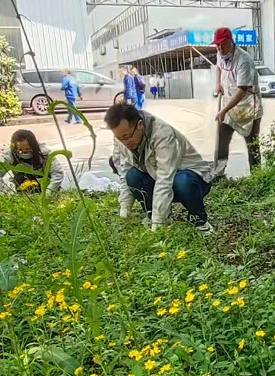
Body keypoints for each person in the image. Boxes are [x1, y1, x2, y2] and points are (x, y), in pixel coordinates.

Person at [106, 103, 215, 233]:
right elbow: (123, 172)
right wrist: (124, 209)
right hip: (156, 176)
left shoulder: (163, 134)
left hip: (191, 181)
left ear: (140, 125)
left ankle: (199, 220)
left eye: (127, 136)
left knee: (182, 181)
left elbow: (165, 179)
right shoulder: (121, 138)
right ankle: (151, 213)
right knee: (132, 175)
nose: (125, 142)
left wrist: (158, 224)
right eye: (120, 138)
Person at [212, 27, 262, 179]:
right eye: (217, 45)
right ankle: (219, 174)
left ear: (231, 41)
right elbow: (219, 67)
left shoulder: (243, 60)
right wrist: (218, 84)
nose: (220, 48)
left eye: (223, 44)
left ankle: (258, 176)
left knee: (252, 143)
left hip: (247, 105)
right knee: (222, 139)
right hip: (229, 103)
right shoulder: (220, 53)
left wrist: (223, 110)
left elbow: (241, 91)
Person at [0, 130, 68, 194]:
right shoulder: (9, 155)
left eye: (28, 150)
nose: (24, 153)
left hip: (46, 187)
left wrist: (49, 192)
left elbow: (57, 173)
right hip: (22, 189)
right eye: (20, 151)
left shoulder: (45, 153)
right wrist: (9, 192)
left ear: (34, 146)